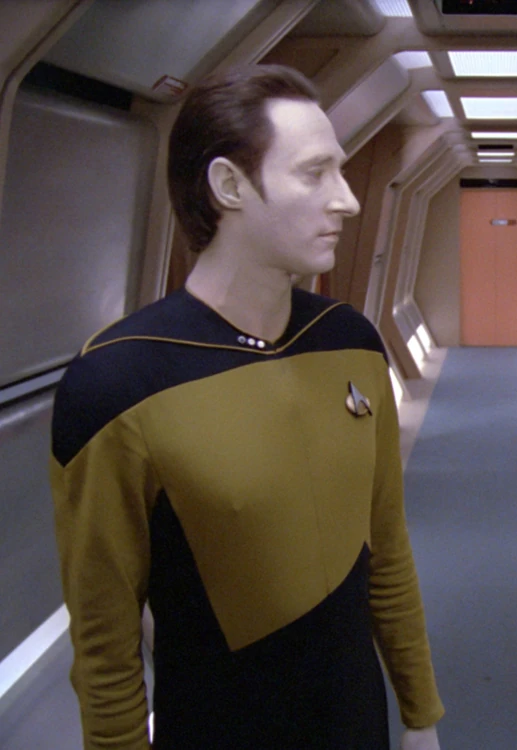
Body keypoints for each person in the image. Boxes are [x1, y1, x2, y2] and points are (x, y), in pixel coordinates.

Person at [50, 64, 444, 750]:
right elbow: (105, 648)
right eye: (315, 174)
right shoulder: (116, 382)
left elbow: (386, 550)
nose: (348, 200)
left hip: (359, 725)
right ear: (229, 186)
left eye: (342, 171)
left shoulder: (351, 342)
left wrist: (420, 714)